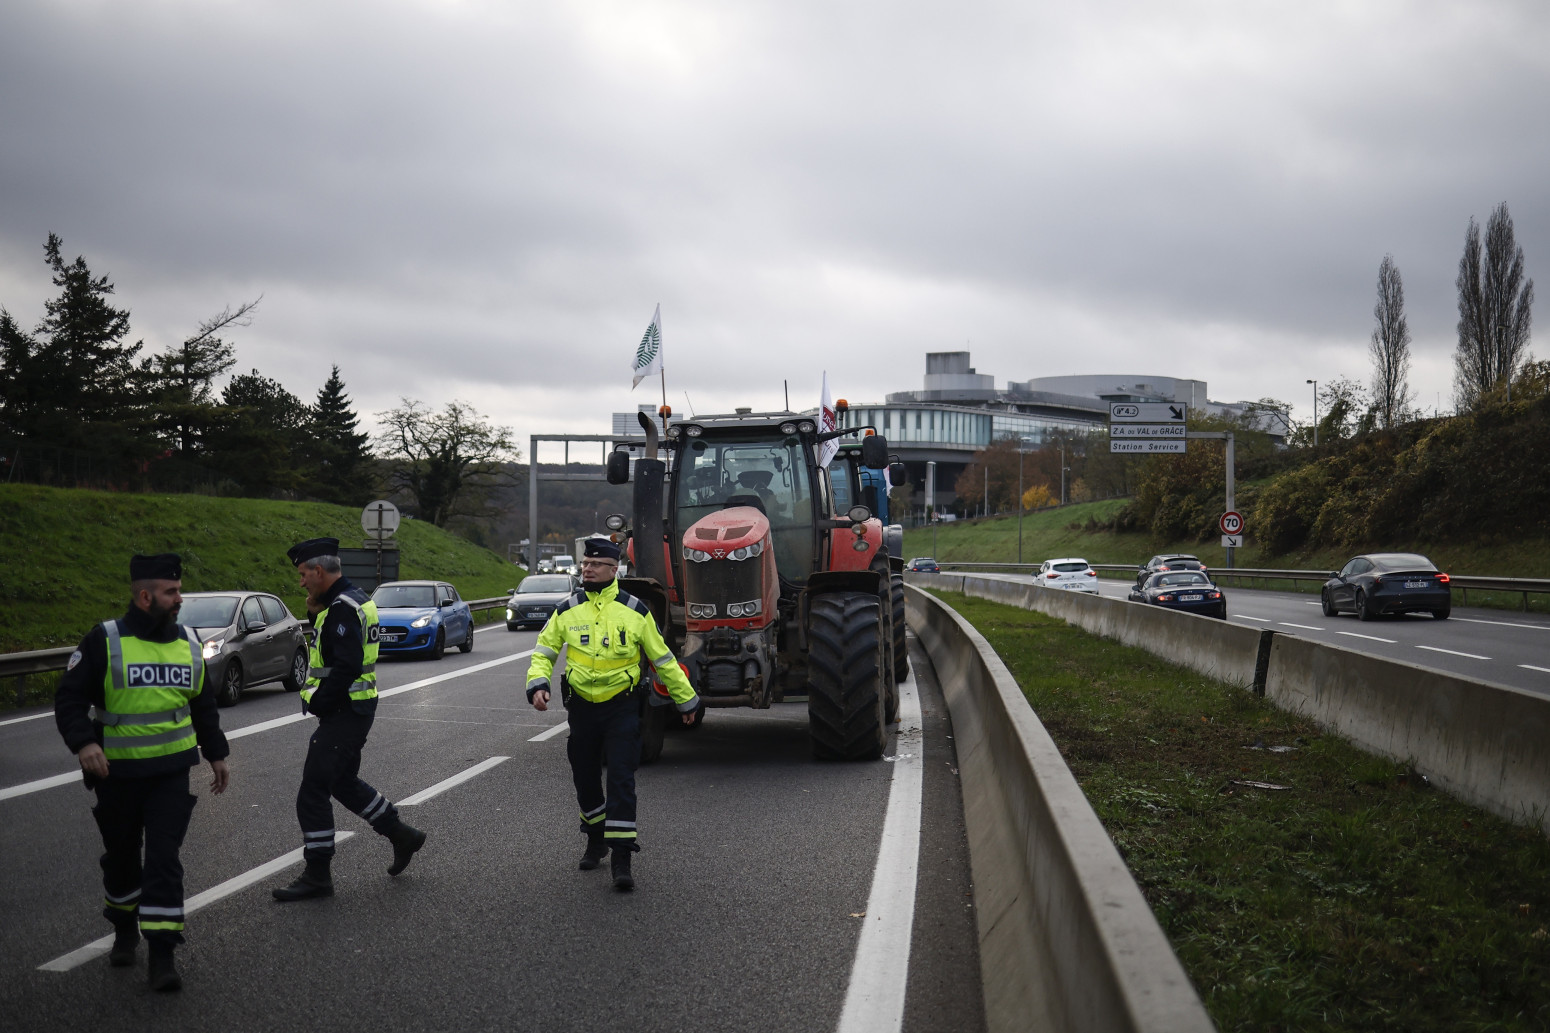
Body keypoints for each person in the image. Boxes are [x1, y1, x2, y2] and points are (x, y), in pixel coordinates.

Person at [54, 553, 231, 992]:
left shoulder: (190, 642)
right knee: (121, 859)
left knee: (163, 861)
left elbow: (202, 704)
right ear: (145, 595)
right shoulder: (104, 640)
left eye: (179, 590)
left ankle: (163, 953)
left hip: (171, 773)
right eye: (172, 592)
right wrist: (86, 743)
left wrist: (217, 753)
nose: (179, 599)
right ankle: (123, 929)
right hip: (117, 775)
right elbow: (69, 700)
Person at [526, 537, 701, 890]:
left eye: (594, 564)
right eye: (584, 564)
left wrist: (687, 700)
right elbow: (543, 653)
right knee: (586, 779)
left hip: (622, 708)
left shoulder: (635, 611)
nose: (586, 569)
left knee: (621, 781)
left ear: (613, 569)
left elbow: (663, 659)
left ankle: (622, 858)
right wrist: (538, 683)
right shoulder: (566, 609)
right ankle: (595, 839)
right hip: (582, 710)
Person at [271, 538, 426, 901]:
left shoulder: (341, 607)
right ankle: (402, 834)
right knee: (341, 782)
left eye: (303, 574)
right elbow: (337, 645)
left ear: (319, 571)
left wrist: (323, 702)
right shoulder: (355, 598)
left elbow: (346, 664)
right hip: (356, 708)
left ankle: (318, 874)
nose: (301, 582)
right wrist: (314, 613)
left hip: (344, 711)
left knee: (312, 792)